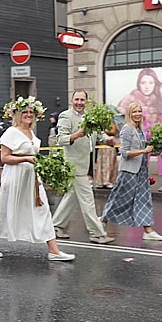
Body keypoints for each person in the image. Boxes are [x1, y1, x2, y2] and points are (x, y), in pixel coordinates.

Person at [0, 98, 75, 261]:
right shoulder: (11, 132)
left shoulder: (31, 132)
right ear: (18, 114)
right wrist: (26, 159)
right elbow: (4, 158)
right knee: (4, 209)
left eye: (31, 112)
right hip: (15, 176)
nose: (28, 115)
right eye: (25, 112)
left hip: (32, 178)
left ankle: (53, 250)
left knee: (43, 209)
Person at [52, 90, 115, 244]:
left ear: (86, 101)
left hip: (85, 163)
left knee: (71, 197)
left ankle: (56, 226)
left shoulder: (89, 117)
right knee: (87, 199)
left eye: (82, 100)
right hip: (72, 164)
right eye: (76, 99)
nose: (79, 102)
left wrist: (108, 140)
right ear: (72, 101)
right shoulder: (66, 116)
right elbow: (61, 139)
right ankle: (97, 233)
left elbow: (99, 134)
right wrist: (77, 134)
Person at [101, 103, 162, 241]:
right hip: (129, 171)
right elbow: (124, 153)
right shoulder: (127, 129)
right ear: (129, 114)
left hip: (141, 170)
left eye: (139, 111)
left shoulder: (140, 129)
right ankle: (102, 222)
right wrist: (143, 151)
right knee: (120, 199)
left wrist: (156, 150)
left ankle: (148, 231)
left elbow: (145, 148)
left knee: (144, 199)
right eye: (134, 112)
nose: (137, 114)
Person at [93, 121, 118, 189]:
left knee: (109, 164)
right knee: (101, 164)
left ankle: (108, 180)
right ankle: (100, 181)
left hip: (109, 146)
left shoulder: (111, 122)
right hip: (102, 147)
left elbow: (112, 131)